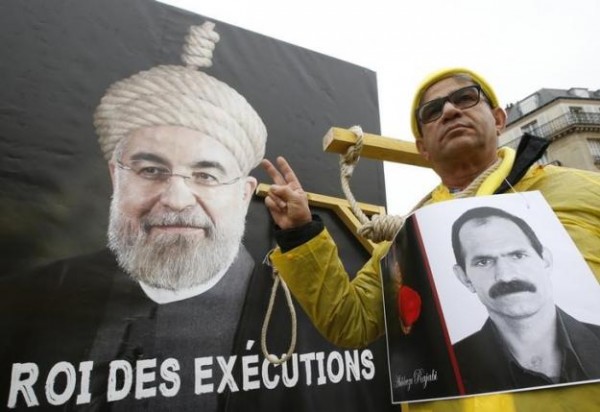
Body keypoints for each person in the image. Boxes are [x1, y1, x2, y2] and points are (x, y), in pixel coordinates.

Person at [262, 67, 600, 410]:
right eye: (432, 111)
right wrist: (300, 233)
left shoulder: (584, 190)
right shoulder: (412, 233)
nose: (450, 111)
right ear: (423, 147)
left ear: (499, 118)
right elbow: (350, 320)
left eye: (465, 98)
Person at [0, 22, 266, 411]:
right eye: (151, 171)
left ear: (244, 196)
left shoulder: (293, 317)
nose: (176, 199)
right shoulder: (25, 302)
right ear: (115, 177)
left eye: (206, 175)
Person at [451, 206, 600, 393]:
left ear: (545, 260)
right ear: (464, 277)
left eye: (517, 255)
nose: (505, 276)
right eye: (483, 262)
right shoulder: (447, 368)